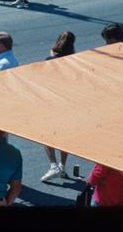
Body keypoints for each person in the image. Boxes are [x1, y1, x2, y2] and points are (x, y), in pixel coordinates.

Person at [39, 32, 75, 182]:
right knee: (64, 136)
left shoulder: (50, 60)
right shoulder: (73, 60)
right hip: (67, 102)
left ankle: (53, 165)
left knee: (46, 135)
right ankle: (62, 166)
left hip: (52, 102)